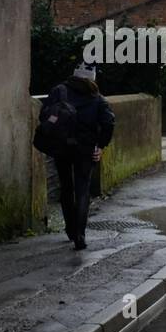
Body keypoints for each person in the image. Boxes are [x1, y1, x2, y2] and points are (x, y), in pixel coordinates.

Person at [43, 64, 115, 251]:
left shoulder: (59, 91)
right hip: (86, 149)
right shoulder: (97, 98)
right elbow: (108, 122)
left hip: (62, 147)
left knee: (66, 187)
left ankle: (70, 229)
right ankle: (80, 235)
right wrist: (100, 145)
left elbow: (44, 114)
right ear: (92, 79)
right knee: (83, 190)